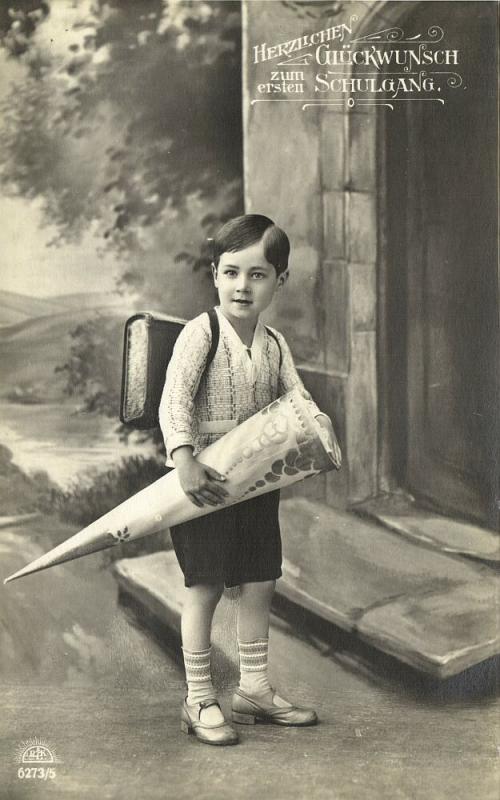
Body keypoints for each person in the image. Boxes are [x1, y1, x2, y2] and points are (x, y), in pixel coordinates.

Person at [159, 214, 341, 746]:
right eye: (232, 272)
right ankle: (198, 697)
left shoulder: (275, 343)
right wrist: (185, 460)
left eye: (258, 275)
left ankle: (254, 689)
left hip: (257, 484)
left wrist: (319, 432)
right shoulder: (202, 333)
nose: (243, 286)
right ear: (215, 274)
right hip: (204, 482)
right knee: (207, 585)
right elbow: (175, 400)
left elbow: (297, 402)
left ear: (279, 281)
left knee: (259, 581)